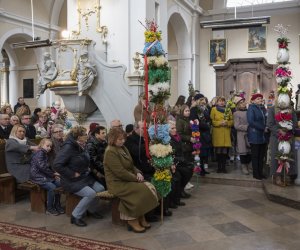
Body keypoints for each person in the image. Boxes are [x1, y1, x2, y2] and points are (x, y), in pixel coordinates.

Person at [104, 128, 159, 233]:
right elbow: (120, 172)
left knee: (147, 186)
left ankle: (140, 215)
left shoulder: (123, 148)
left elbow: (131, 165)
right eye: (119, 139)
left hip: (126, 179)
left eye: (123, 139)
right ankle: (132, 219)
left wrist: (138, 172)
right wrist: (135, 179)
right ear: (113, 139)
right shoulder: (110, 151)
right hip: (117, 183)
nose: (123, 141)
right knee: (142, 189)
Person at [54, 126, 105, 227]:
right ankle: (75, 216)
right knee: (90, 194)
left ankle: (91, 210)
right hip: (71, 180)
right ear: (78, 136)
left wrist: (88, 168)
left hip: (84, 177)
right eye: (84, 134)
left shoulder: (81, 144)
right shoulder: (68, 147)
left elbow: (84, 159)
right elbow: (57, 164)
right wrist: (72, 173)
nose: (87, 136)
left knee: (100, 188)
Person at [30, 138, 64, 215]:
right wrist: (53, 174)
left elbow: (48, 166)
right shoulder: (40, 153)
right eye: (47, 146)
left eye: (50, 146)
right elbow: (42, 167)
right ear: (41, 145)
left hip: (45, 175)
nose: (49, 148)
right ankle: (49, 208)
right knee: (52, 187)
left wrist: (54, 173)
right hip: (37, 176)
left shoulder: (45, 153)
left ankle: (57, 204)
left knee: (59, 184)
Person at [169, 121, 193, 203]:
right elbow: (172, 154)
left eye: (175, 127)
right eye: (172, 128)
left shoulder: (177, 137)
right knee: (185, 171)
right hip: (175, 161)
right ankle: (179, 192)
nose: (175, 129)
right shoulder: (169, 139)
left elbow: (181, 149)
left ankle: (181, 189)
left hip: (180, 159)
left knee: (190, 167)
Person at [190, 94, 212, 175]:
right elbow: (195, 121)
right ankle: (199, 169)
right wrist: (206, 126)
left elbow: (208, 118)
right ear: (197, 100)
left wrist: (209, 123)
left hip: (205, 133)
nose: (203, 101)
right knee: (200, 152)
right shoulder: (194, 109)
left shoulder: (204, 109)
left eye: (203, 99)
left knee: (204, 152)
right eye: (201, 99)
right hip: (199, 133)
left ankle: (202, 169)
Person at [247, 93, 267, 180]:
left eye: (261, 99)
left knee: (261, 155)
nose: (260, 100)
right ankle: (256, 173)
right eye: (258, 99)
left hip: (262, 136)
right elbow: (251, 122)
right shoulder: (251, 108)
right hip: (255, 134)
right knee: (255, 155)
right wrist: (263, 128)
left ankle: (260, 172)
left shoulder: (262, 108)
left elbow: (265, 119)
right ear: (253, 100)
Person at [210, 96, 233, 173]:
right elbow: (212, 121)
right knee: (218, 150)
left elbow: (232, 121)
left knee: (224, 151)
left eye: (223, 101)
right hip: (217, 132)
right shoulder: (213, 109)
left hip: (226, 132)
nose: (222, 102)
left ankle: (224, 167)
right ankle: (219, 167)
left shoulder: (228, 109)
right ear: (217, 102)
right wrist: (219, 123)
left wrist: (227, 123)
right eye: (220, 101)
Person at [233, 96, 251, 175]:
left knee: (250, 151)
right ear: (237, 105)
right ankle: (244, 166)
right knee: (243, 151)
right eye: (241, 103)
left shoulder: (249, 111)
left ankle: (248, 165)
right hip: (241, 135)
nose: (243, 104)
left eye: (243, 102)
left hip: (250, 134)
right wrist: (247, 127)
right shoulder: (236, 113)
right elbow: (236, 126)